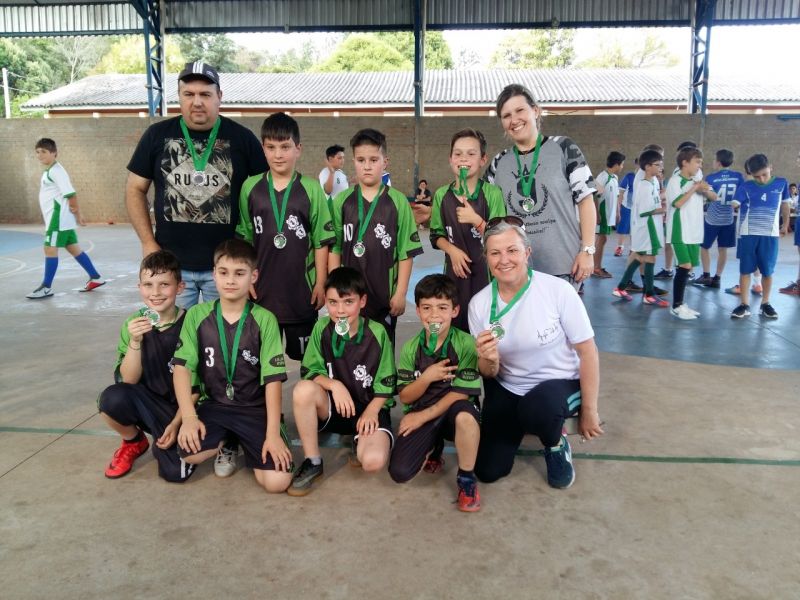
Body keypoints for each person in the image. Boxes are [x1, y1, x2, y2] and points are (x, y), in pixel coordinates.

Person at [468, 217, 602, 489]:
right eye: (495, 253)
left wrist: (590, 410)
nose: (504, 260)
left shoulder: (558, 291)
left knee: (537, 409)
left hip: (559, 382)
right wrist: (489, 360)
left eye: (512, 250)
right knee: (488, 471)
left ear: (527, 253)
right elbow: (487, 373)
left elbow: (588, 352)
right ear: (486, 258)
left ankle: (555, 443)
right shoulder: (479, 304)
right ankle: (528, 420)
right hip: (509, 386)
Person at [126, 62, 267, 308]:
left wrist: (252, 256)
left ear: (219, 96)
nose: (197, 102)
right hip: (171, 267)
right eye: (189, 94)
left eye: (205, 94)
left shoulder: (243, 138)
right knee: (174, 331)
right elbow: (134, 189)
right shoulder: (156, 135)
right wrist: (148, 243)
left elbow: (266, 195)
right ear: (179, 96)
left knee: (224, 332)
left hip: (226, 269)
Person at [173, 239, 293, 493]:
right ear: (214, 274)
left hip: (254, 408)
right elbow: (182, 368)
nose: (230, 280)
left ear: (253, 276)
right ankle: (227, 439)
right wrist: (189, 418)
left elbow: (273, 380)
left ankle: (247, 438)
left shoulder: (265, 319)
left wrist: (272, 434)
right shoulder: (196, 315)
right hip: (215, 404)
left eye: (239, 273)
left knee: (277, 482)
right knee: (189, 453)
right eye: (224, 272)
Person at [288, 267, 396, 496]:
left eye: (348, 302)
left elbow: (387, 383)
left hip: (368, 409)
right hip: (335, 408)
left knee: (373, 461)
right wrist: (334, 385)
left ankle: (361, 440)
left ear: (362, 301)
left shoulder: (377, 333)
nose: (340, 310)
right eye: (333, 302)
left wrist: (371, 411)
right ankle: (313, 461)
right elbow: (309, 370)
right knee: (303, 390)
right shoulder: (321, 328)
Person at [236, 112, 334, 361]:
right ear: (263, 149)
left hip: (301, 293)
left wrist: (321, 283)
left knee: (308, 362)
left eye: (285, 147)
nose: (278, 154)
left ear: (298, 149)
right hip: (261, 292)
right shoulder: (250, 187)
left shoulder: (311, 188)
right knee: (259, 363)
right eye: (271, 147)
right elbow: (245, 240)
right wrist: (245, 279)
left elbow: (321, 241)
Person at [486, 83, 596, 288]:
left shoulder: (563, 147)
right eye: (506, 115)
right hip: (516, 269)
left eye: (520, 110)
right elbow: (483, 204)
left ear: (535, 111)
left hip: (563, 267)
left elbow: (586, 200)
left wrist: (588, 250)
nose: (514, 120)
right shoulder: (499, 163)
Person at [390, 275, 482, 512]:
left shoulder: (466, 343)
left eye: (442, 308)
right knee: (400, 472)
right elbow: (405, 396)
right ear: (418, 311)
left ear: (455, 311)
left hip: (454, 411)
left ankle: (467, 479)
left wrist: (421, 417)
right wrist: (427, 377)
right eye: (427, 308)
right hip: (423, 409)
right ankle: (433, 446)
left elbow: (461, 393)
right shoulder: (411, 348)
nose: (434, 315)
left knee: (465, 417)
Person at [97, 250, 192, 481]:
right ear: (139, 287)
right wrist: (135, 341)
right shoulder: (133, 323)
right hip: (150, 405)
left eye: (164, 284)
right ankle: (133, 441)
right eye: (148, 285)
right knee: (111, 398)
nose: (155, 292)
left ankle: (179, 437)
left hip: (186, 409)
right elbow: (128, 380)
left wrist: (179, 422)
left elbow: (202, 384)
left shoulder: (192, 323)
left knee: (175, 474)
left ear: (180, 287)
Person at [329, 128, 423, 343]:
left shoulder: (398, 202)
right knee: (347, 351)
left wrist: (400, 293)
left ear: (385, 162)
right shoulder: (342, 201)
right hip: (348, 297)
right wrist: (334, 289)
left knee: (382, 351)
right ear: (353, 161)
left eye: (373, 160)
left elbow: (406, 252)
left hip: (384, 298)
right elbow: (335, 248)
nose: (367, 166)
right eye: (361, 160)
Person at [429, 129, 506, 331]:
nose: (464, 158)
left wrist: (476, 220)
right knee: (456, 326)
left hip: (486, 275)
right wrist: (452, 250)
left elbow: (501, 236)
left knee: (485, 329)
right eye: (458, 153)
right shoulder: (441, 195)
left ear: (483, 160)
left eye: (471, 153)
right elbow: (436, 235)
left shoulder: (492, 194)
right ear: (450, 159)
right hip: (454, 276)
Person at [26, 138, 105, 299]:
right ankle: (95, 277)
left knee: (49, 248)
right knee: (74, 249)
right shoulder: (49, 171)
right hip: (61, 219)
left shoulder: (56, 171)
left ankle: (46, 287)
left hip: (58, 220)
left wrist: (78, 215)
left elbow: (71, 194)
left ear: (54, 153)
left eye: (44, 152)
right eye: (37, 152)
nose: (39, 155)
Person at [730, 154, 791, 319]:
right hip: (748, 234)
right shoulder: (746, 186)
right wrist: (733, 203)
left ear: (771, 167)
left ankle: (765, 303)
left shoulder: (782, 183)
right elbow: (734, 204)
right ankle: (744, 304)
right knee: (745, 270)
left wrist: (785, 224)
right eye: (757, 176)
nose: (762, 180)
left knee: (767, 271)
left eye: (764, 174)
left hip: (770, 235)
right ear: (750, 174)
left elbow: (785, 204)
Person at [612, 150, 669, 307]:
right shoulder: (644, 185)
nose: (661, 167)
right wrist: (666, 209)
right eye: (658, 165)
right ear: (648, 166)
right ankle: (648, 294)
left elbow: (655, 200)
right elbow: (645, 210)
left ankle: (622, 288)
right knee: (648, 257)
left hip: (651, 224)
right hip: (647, 226)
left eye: (661, 164)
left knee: (642, 257)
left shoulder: (652, 181)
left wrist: (664, 199)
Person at [665, 146, 717, 319]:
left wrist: (704, 189)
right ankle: (676, 306)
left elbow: (714, 197)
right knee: (684, 266)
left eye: (701, 162)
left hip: (694, 231)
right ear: (685, 163)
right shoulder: (675, 181)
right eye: (697, 162)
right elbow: (677, 203)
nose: (700, 165)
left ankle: (680, 304)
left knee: (688, 268)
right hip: (679, 230)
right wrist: (694, 188)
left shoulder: (698, 180)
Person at [694, 149, 745, 289]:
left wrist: (701, 189)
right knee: (723, 249)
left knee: (704, 247)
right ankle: (717, 278)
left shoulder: (711, 178)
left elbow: (708, 195)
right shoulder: (738, 177)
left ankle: (706, 275)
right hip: (728, 218)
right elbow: (742, 193)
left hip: (713, 218)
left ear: (718, 162)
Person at [593, 151, 626, 278]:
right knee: (601, 239)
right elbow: (594, 196)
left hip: (610, 214)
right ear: (616, 164)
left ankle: (597, 266)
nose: (622, 167)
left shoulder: (614, 178)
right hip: (603, 213)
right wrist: (597, 214)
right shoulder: (603, 177)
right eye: (622, 164)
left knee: (602, 239)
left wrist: (617, 212)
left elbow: (616, 196)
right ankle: (596, 268)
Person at [614, 163, 635, 257]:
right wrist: (618, 208)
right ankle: (620, 247)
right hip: (626, 207)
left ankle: (633, 249)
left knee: (634, 229)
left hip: (637, 209)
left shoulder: (644, 178)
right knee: (623, 229)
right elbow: (621, 193)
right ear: (636, 165)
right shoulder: (629, 176)